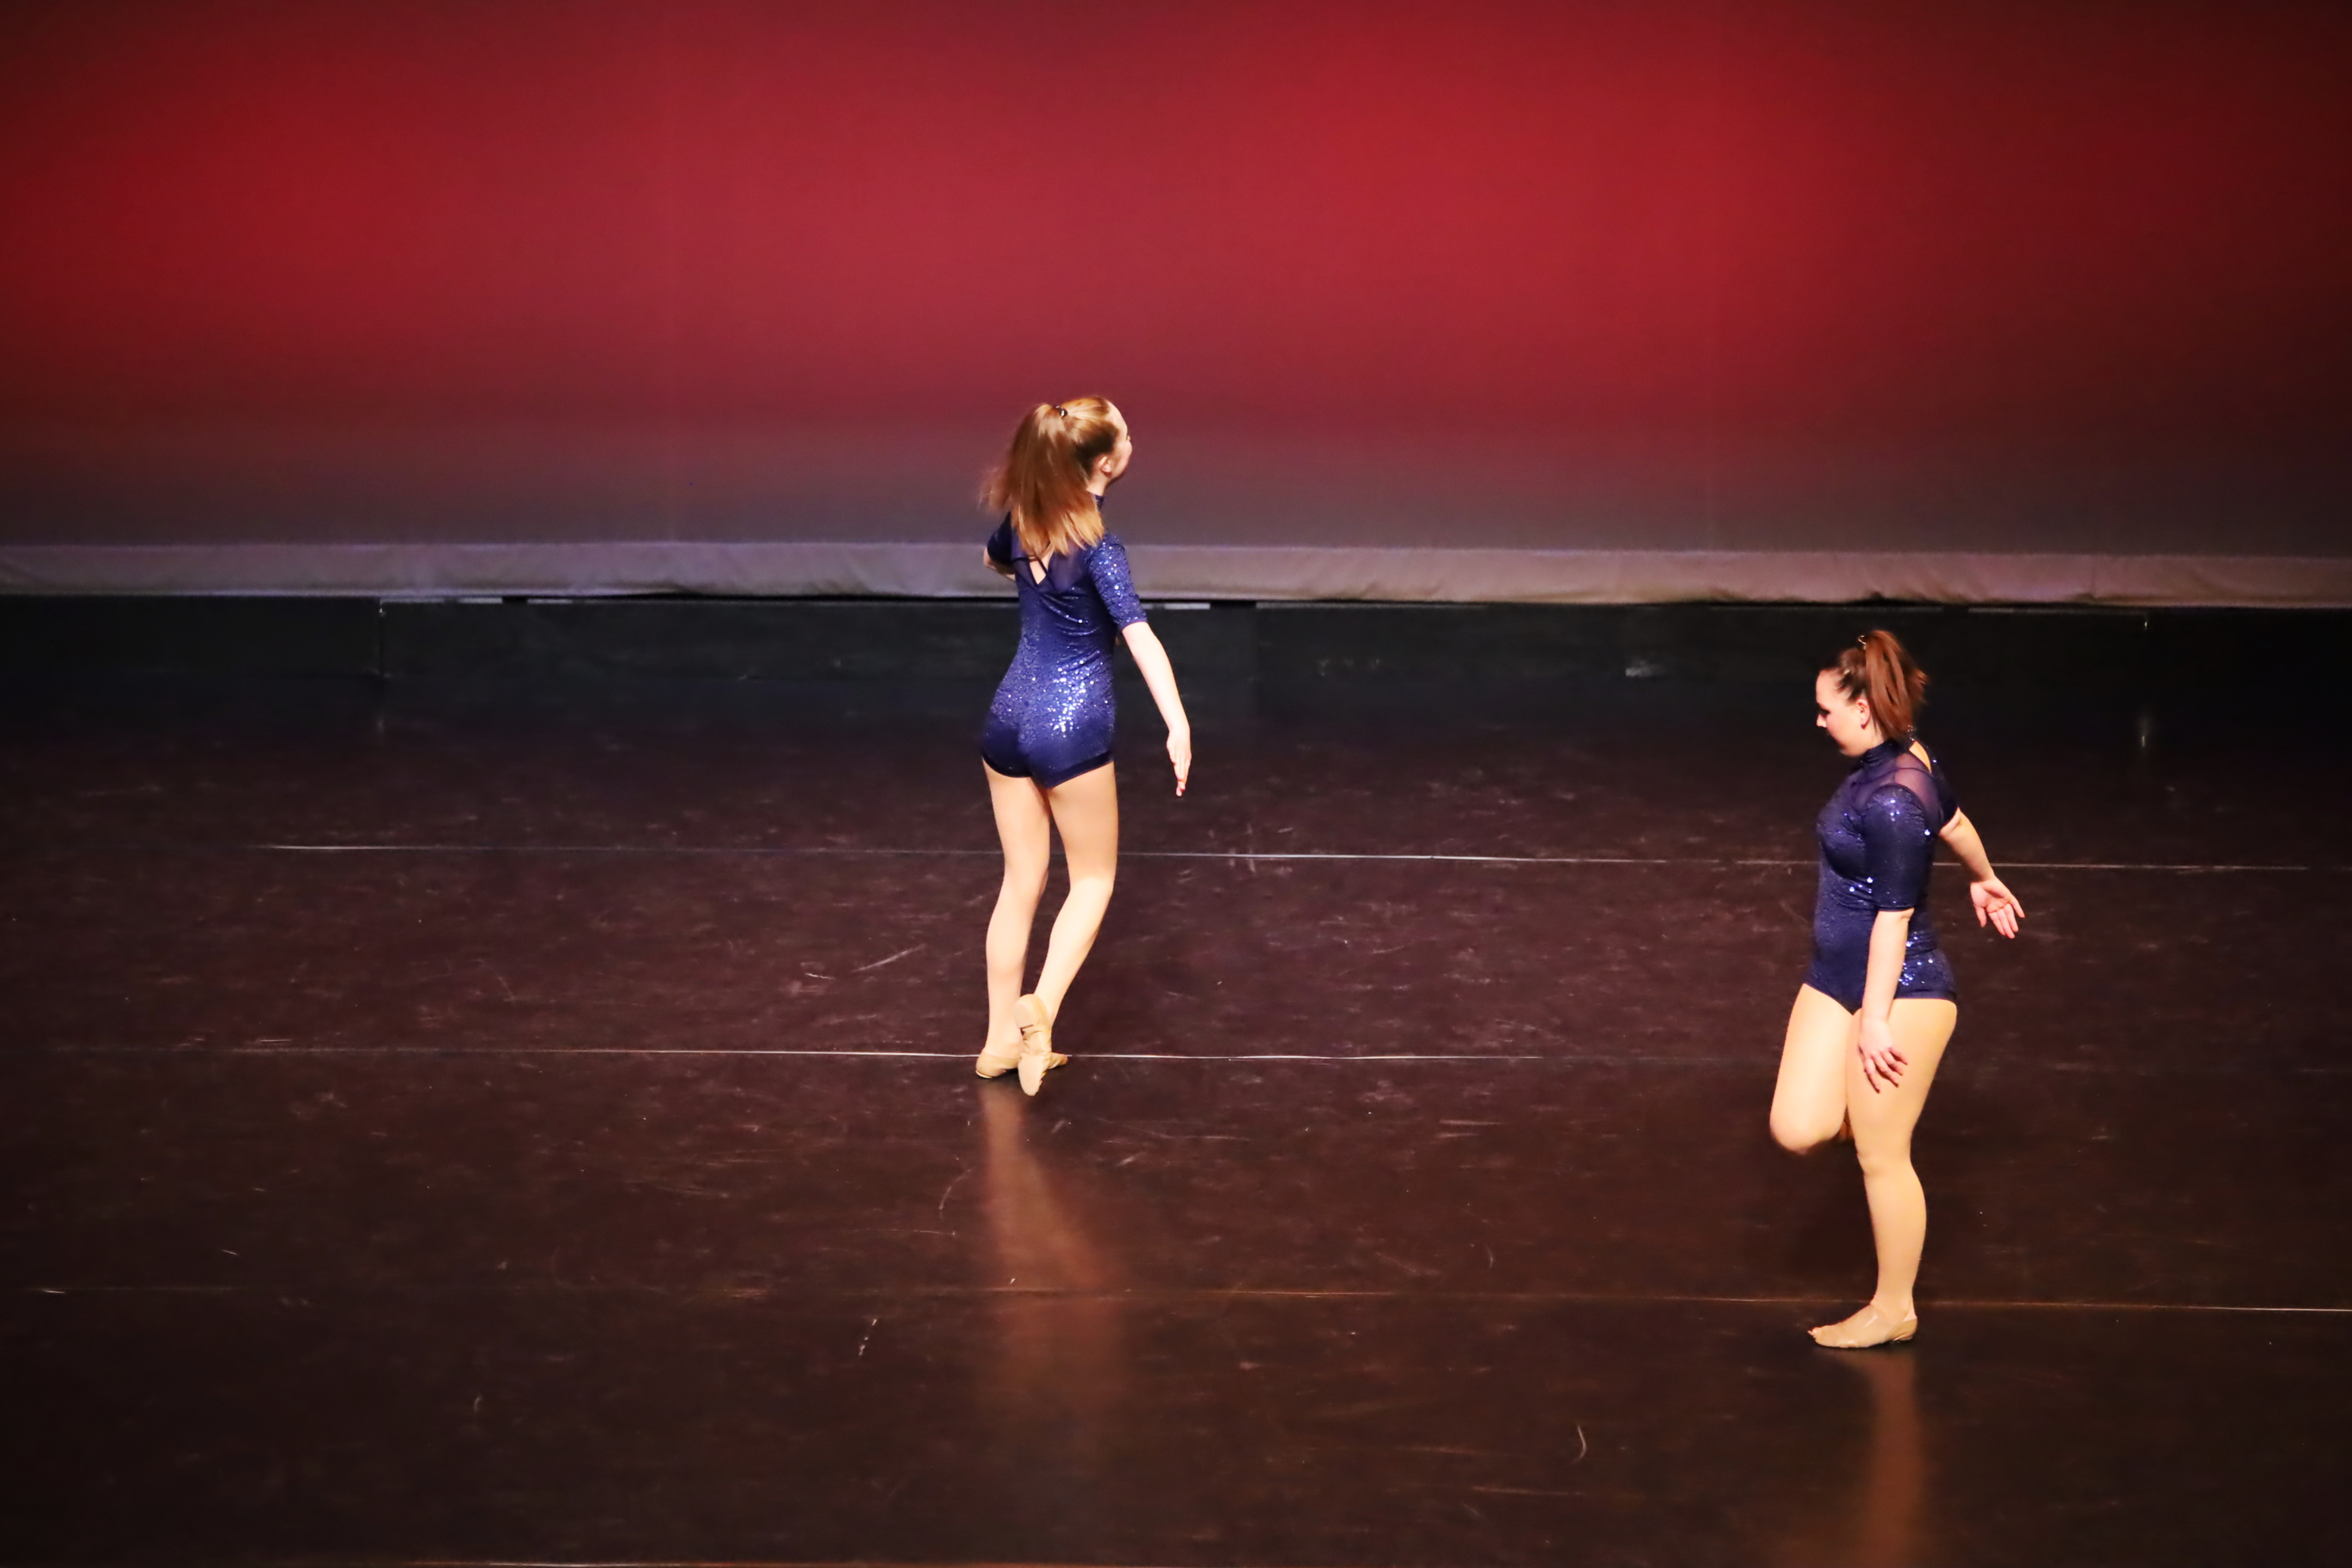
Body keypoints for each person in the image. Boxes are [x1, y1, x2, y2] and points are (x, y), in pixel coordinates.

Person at [1769, 630, 2024, 1347]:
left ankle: (1893, 1308)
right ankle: (1874, 1106)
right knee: (1797, 1127)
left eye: (1826, 710)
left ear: (1863, 709)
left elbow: (1895, 917)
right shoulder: (1908, 757)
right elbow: (1957, 820)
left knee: (1881, 1153)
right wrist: (1984, 875)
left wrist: (1875, 1020)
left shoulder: (1891, 799)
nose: (1818, 721)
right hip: (1835, 975)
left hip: (1904, 988)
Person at [972, 397, 1191, 1095]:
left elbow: (993, 558)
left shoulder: (1022, 524)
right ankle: (1040, 1007)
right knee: (1093, 879)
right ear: (1106, 463)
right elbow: (1139, 635)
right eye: (1125, 432)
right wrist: (1178, 721)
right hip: (1071, 727)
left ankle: (996, 1043)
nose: (1132, 439)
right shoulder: (1100, 548)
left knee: (1020, 882)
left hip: (1008, 716)